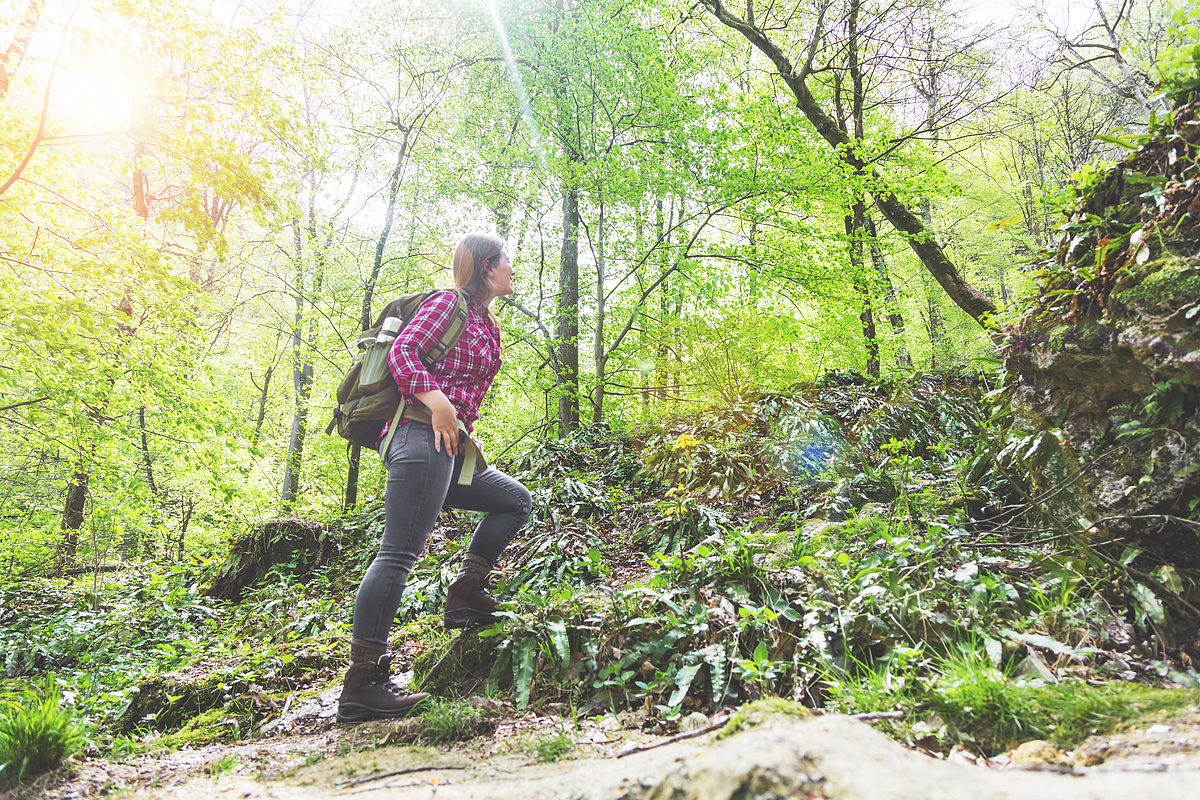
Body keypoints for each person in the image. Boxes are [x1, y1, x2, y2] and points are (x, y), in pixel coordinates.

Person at [336, 233, 532, 724]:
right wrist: (438, 403)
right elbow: (403, 353)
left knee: (513, 500)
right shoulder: (448, 303)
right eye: (507, 261)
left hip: (448, 448)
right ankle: (362, 683)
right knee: (398, 553)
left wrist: (456, 419)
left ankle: (466, 592)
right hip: (418, 437)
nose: (513, 269)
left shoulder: (486, 322)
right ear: (487, 267)